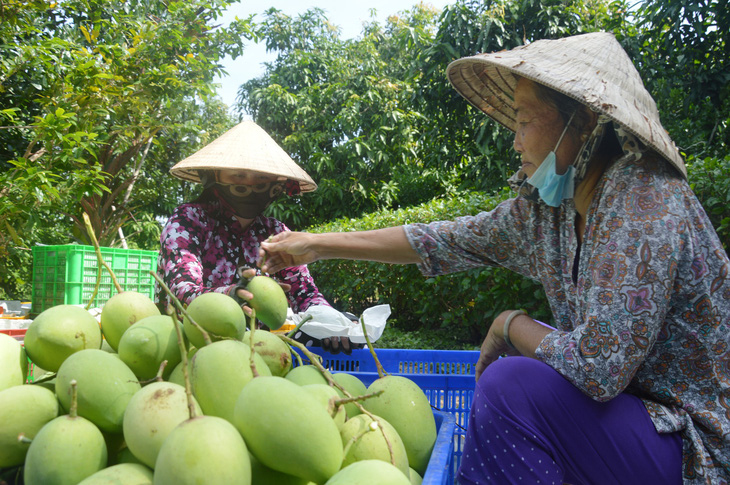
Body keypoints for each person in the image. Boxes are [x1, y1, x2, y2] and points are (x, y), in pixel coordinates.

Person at [258, 32, 730, 484]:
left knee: (512, 386)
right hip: (629, 426)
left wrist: (509, 323)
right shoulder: (550, 213)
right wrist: (318, 244)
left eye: (524, 120)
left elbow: (598, 367)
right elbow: (441, 239)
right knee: (524, 384)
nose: (515, 140)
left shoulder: (643, 199)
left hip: (693, 448)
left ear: (583, 121)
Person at [155, 120, 356, 354]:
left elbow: (305, 293)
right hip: (191, 346)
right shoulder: (189, 221)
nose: (250, 184)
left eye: (261, 179)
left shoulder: (275, 233)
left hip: (256, 351)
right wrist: (232, 294)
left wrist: (330, 320)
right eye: (239, 176)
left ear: (277, 185)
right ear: (214, 177)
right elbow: (181, 292)